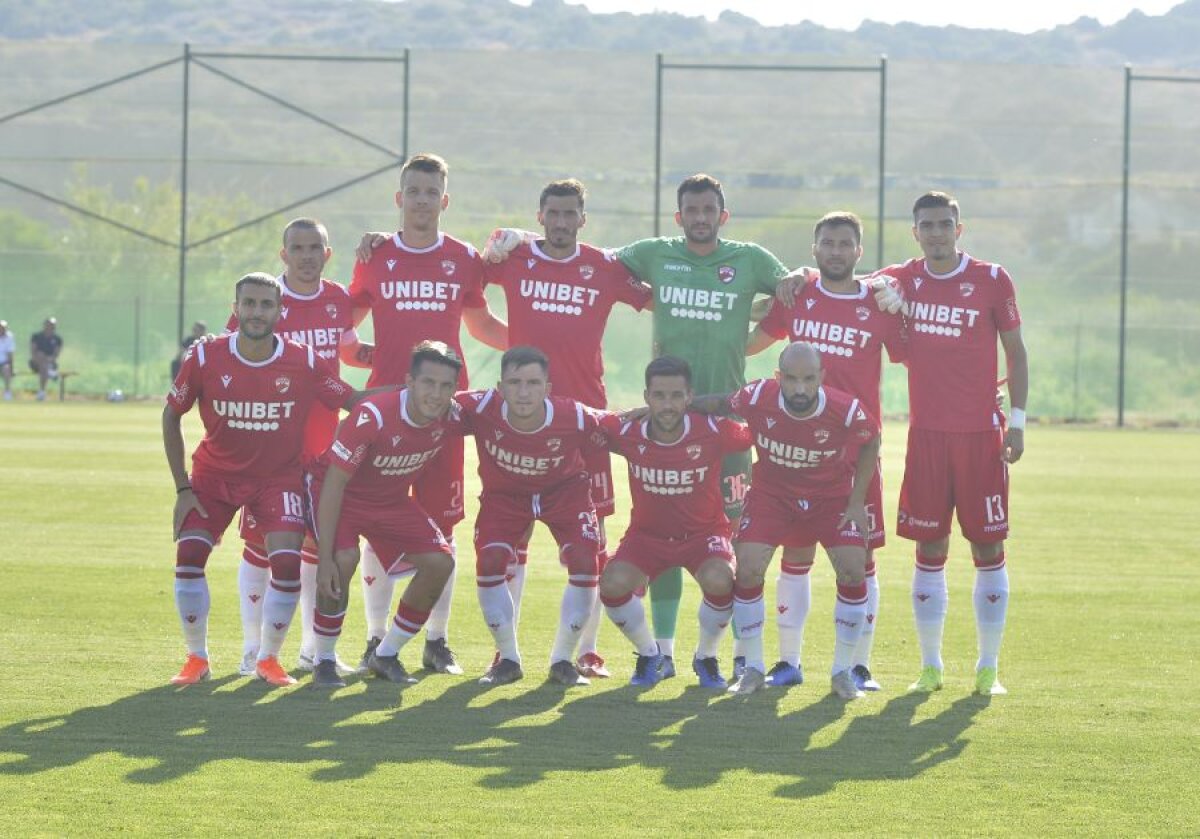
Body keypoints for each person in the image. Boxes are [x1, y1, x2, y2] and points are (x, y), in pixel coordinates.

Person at [485, 173, 791, 678]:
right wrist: (516, 237)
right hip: (661, 419)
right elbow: (576, 259)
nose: (699, 217)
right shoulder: (650, 254)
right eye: (690, 210)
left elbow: (793, 289)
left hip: (722, 422)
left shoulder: (750, 259)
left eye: (708, 209)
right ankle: (659, 652)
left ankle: (739, 657)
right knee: (660, 532)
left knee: (736, 545)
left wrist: (753, 336)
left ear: (722, 215)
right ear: (678, 216)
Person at [482, 177, 653, 679]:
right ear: (539, 217)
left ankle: (585, 652)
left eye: (569, 214)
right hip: (520, 421)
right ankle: (503, 652)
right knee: (508, 543)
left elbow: (659, 297)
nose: (560, 222)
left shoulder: (604, 267)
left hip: (586, 425)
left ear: (583, 218)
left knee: (590, 543)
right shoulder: (516, 257)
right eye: (552, 214)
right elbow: (465, 276)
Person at [162, 272, 369, 687]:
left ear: (279, 311)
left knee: (287, 565)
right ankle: (196, 659)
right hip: (213, 478)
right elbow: (171, 415)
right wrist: (183, 487)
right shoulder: (204, 358)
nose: (257, 312)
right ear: (235, 309)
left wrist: (407, 400)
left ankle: (268, 661)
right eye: (250, 304)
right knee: (188, 560)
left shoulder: (305, 360)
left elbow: (349, 400)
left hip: (278, 480)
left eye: (266, 304)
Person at [350, 153, 507, 677]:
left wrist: (535, 343)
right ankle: (375, 638)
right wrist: (361, 356)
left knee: (441, 526)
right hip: (384, 410)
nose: (421, 200)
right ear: (399, 199)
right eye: (412, 191)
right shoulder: (374, 255)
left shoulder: (463, 258)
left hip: (443, 413)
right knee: (375, 521)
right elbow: (344, 320)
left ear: (445, 200)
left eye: (430, 192)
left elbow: (481, 323)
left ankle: (435, 641)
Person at [872, 191, 1028, 696]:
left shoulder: (991, 279)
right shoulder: (901, 280)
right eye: (926, 225)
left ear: (959, 229)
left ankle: (988, 668)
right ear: (914, 231)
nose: (936, 232)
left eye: (944, 224)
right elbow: (849, 282)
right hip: (927, 437)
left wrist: (1019, 421)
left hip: (982, 435)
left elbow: (1016, 351)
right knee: (930, 546)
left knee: (988, 545)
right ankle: (931, 666)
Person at [746, 211, 905, 691]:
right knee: (795, 556)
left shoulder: (880, 301)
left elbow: (921, 352)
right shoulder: (799, 294)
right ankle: (788, 663)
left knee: (861, 560)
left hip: (855, 455)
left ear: (859, 251)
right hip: (795, 455)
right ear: (814, 250)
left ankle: (858, 666)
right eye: (827, 243)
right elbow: (755, 342)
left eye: (845, 244)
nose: (836, 251)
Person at [693, 342, 881, 699]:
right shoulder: (757, 397)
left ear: (821, 378)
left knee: (855, 569)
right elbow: (719, 403)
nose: (799, 388)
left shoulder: (844, 409)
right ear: (778, 377)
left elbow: (871, 439)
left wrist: (857, 502)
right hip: (772, 497)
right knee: (747, 568)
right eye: (791, 379)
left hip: (830, 498)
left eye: (808, 379)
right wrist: (671, 407)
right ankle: (753, 668)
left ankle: (842, 672)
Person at [226, 218, 370, 678]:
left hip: (326, 447)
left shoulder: (337, 300)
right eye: (298, 247)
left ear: (328, 254)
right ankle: (252, 650)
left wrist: (394, 357)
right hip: (271, 447)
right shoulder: (267, 301)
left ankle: (311, 650)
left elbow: (346, 349)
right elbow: (233, 355)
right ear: (283, 253)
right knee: (259, 547)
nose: (307, 255)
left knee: (318, 546)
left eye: (315, 247)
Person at [310, 341, 464, 688]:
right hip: (341, 495)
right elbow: (334, 484)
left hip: (391, 500)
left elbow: (499, 407)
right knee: (343, 560)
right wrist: (324, 561)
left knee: (441, 563)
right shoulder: (373, 415)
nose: (435, 394)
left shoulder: (454, 414)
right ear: (409, 382)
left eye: (445, 386)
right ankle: (323, 660)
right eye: (428, 383)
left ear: (455, 390)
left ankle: (386, 654)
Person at [595, 356, 751, 687]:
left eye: (676, 396)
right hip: (647, 537)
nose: (668, 405)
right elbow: (581, 422)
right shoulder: (627, 431)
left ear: (690, 396)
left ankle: (706, 657)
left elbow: (761, 430)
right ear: (646, 397)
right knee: (610, 584)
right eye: (659, 396)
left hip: (703, 535)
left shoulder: (713, 430)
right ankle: (651, 655)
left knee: (722, 579)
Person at [457, 345, 604, 687]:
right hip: (505, 496)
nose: (524, 392)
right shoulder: (480, 406)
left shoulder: (576, 416)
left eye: (534, 383)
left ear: (548, 388)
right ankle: (508, 659)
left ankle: (563, 661)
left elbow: (620, 424)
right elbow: (424, 399)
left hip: (565, 494)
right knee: (491, 559)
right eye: (515, 382)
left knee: (585, 558)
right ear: (500, 386)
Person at [29, 317, 63, 401]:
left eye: (52, 325)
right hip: (35, 363)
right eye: (48, 325)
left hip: (50, 363)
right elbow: (33, 353)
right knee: (40, 356)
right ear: (44, 325)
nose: (50, 327)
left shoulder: (58, 339)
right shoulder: (36, 336)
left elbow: (56, 355)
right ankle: (50, 373)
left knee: (44, 366)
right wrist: (41, 358)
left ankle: (41, 391)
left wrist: (48, 359)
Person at [0, 320, 14, 400]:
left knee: (7, 368)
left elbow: (10, 354)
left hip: (4, 363)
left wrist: (12, 368)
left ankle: (7, 392)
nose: (1, 329)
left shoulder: (9, 337)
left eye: (3, 328)